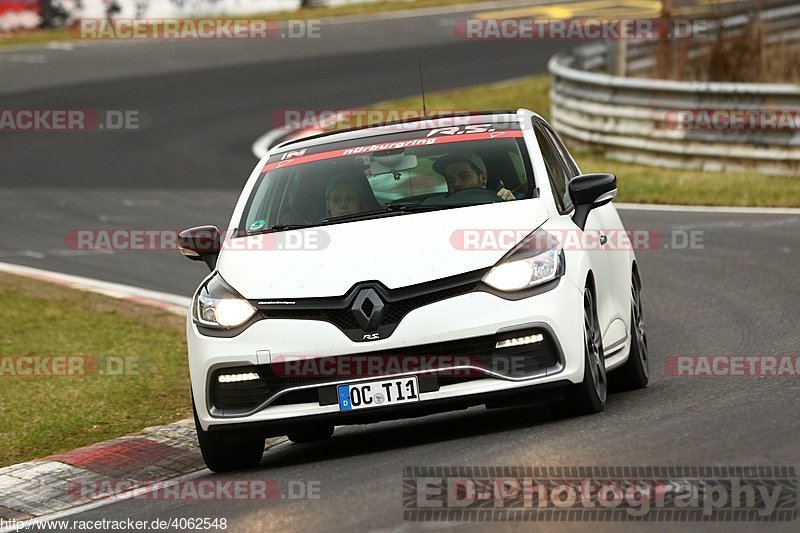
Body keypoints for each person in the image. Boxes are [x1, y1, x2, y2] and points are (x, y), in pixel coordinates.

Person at [432, 152, 515, 201]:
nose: (456, 184)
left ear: (483, 178)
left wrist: (512, 205)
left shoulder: (503, 199)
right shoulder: (439, 207)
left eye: (463, 176)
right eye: (450, 180)